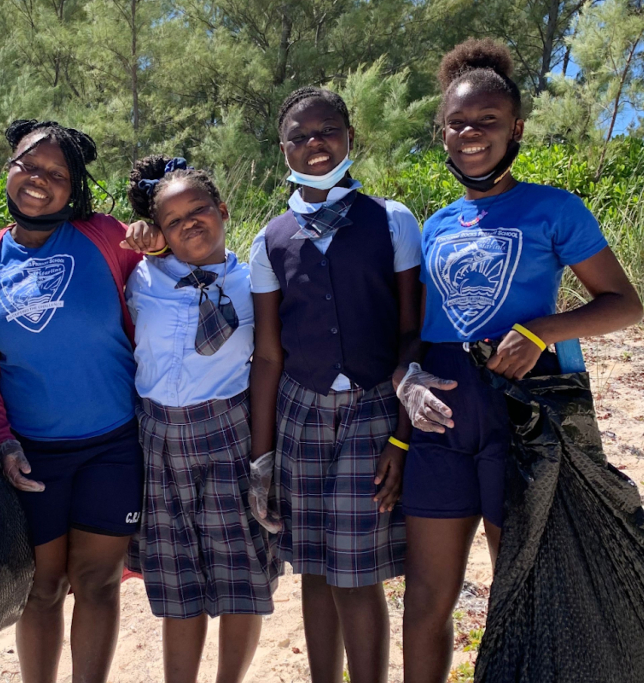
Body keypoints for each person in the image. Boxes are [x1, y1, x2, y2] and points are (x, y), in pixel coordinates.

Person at [396, 39, 643, 683]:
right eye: (457, 122)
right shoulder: (436, 224)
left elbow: (623, 304)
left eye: (488, 122)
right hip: (443, 418)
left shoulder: (555, 208)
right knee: (425, 599)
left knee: (522, 590)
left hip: (524, 413)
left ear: (516, 129)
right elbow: (423, 332)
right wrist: (408, 388)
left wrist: (541, 329)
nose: (471, 133)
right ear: (441, 131)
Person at [0, 120, 146, 683]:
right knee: (40, 588)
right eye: (28, 166)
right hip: (31, 453)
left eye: (56, 173)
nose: (39, 180)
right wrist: (3, 443)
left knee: (98, 582)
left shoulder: (105, 237)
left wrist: (152, 233)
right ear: (8, 170)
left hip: (114, 445)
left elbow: (162, 281)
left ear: (74, 184)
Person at [249, 87, 423, 683]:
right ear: (283, 150)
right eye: (299, 137)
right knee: (316, 570)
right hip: (301, 412)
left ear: (351, 137)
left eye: (325, 131)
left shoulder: (391, 220)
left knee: (356, 573)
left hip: (373, 409)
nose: (313, 145)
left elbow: (409, 334)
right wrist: (262, 458)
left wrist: (401, 439)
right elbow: (269, 356)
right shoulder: (270, 239)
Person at [124, 156, 282, 683]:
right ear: (160, 231)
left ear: (223, 209)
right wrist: (138, 237)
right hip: (159, 441)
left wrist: (265, 455)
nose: (189, 222)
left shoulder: (256, 280)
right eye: (173, 219)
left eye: (200, 209)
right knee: (178, 585)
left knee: (241, 577)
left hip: (229, 435)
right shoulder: (141, 275)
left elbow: (269, 360)